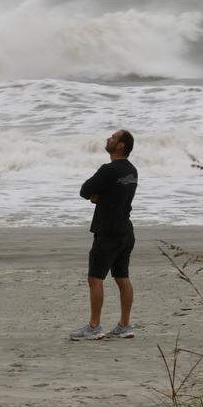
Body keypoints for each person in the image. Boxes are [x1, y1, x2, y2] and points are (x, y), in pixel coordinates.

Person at [70, 129, 138, 341]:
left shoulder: (108, 170)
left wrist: (96, 196)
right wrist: (100, 196)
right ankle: (124, 325)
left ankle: (94, 326)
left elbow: (84, 190)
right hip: (126, 230)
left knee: (95, 278)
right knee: (122, 277)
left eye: (113, 137)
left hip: (108, 231)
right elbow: (116, 195)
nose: (108, 138)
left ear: (121, 146)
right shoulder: (132, 171)